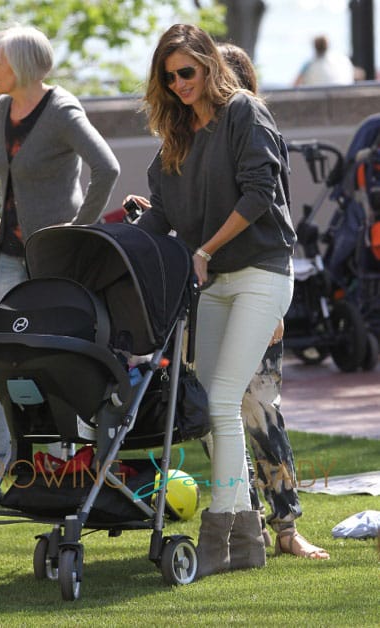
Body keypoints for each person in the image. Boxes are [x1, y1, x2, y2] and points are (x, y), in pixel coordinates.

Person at [132, 23, 296, 579]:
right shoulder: (176, 137)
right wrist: (113, 237)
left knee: (225, 400)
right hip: (213, 280)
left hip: (260, 272)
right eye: (168, 75)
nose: (179, 83)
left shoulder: (244, 112)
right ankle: (245, 543)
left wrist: (203, 248)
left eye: (187, 72)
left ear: (208, 66)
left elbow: (260, 193)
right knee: (212, 410)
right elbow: (162, 213)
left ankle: (220, 535)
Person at [0, 24, 120, 499]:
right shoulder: (0, 110)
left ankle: (73, 462)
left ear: (22, 66)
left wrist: (77, 230)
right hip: (10, 256)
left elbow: (106, 168)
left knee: (56, 362)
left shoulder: (62, 111)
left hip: (53, 260)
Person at [217, 42, 330, 561]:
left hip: (260, 288)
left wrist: (277, 308)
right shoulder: (199, 143)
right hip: (217, 295)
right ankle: (248, 523)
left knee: (261, 411)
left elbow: (277, 223)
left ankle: (286, 527)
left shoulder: (258, 132)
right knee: (217, 413)